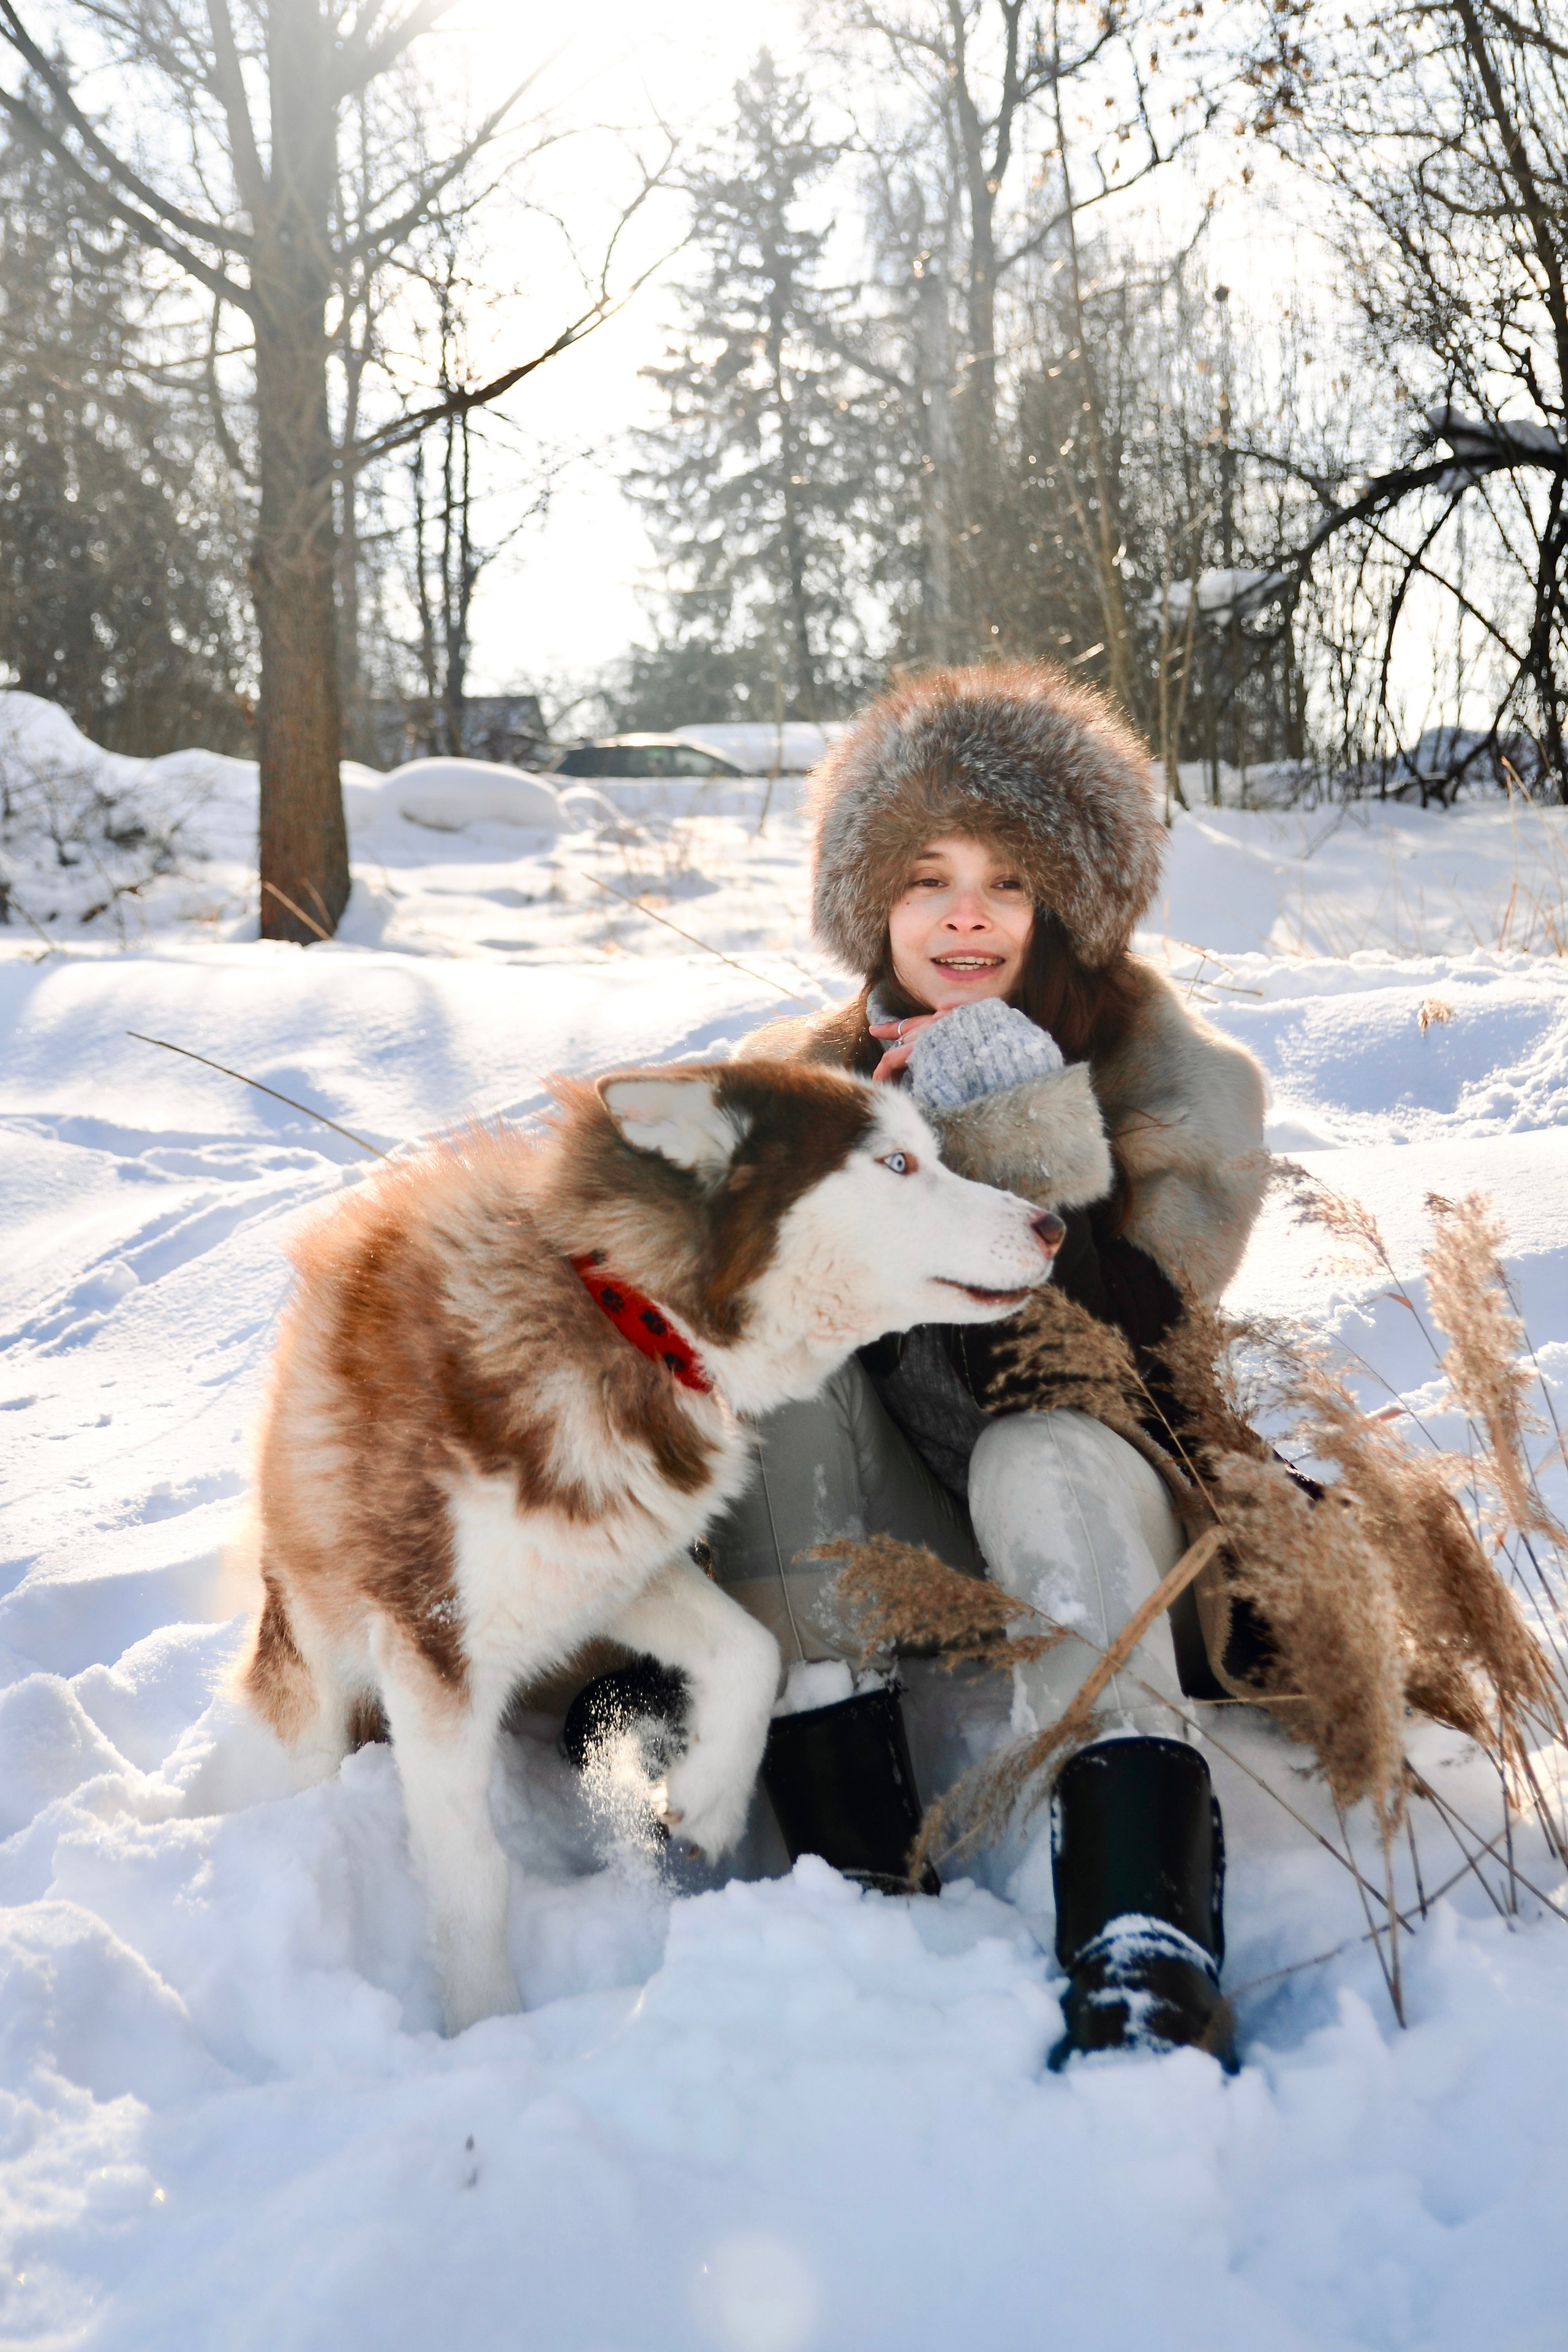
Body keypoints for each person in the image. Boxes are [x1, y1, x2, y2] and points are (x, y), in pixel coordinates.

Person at [706, 662, 1269, 2066]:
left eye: (1008, 880)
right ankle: (856, 1870)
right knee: (783, 1396)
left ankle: (1141, 1941)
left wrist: (1009, 1123)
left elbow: (1109, 1357)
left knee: (1039, 1447)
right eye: (924, 877)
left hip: (1098, 1499)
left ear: (1064, 905)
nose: (963, 913)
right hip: (893, 1522)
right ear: (868, 904)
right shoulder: (799, 1078)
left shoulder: (1172, 1078)